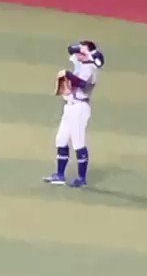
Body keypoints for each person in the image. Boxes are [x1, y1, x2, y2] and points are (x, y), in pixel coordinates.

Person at [43, 40, 103, 188]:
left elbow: (83, 84)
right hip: (69, 108)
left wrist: (69, 75)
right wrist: (81, 51)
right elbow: (70, 49)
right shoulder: (80, 63)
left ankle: (82, 179)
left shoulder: (91, 68)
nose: (78, 52)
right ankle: (60, 175)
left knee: (78, 143)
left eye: (81, 50)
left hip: (80, 109)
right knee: (61, 139)